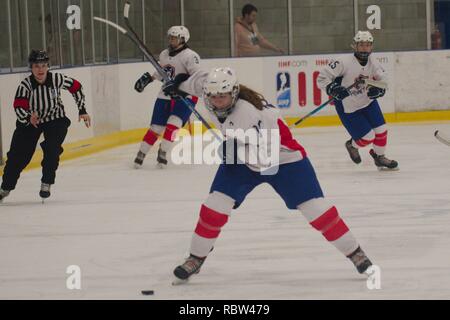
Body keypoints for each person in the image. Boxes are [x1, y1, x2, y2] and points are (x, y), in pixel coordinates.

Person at [162, 67, 373, 284]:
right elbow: (195, 81)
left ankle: (355, 252)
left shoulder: (249, 114)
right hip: (242, 156)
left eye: (222, 97)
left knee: (317, 210)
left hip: (281, 159)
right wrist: (177, 85)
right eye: (213, 97)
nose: (217, 101)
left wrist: (231, 149)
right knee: (213, 209)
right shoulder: (212, 87)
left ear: (233, 93)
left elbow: (262, 159)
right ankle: (196, 257)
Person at [0, 50, 91, 202]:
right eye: (36, 66)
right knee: (18, 156)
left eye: (43, 65)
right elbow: (18, 106)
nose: (40, 69)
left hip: (55, 119)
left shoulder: (57, 78)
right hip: (30, 122)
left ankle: (46, 182)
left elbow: (76, 87)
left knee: (52, 148)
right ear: (31, 68)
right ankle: (6, 187)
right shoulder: (26, 85)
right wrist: (28, 117)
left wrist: (82, 109)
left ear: (48, 66)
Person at [317, 31, 398, 170]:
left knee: (382, 130)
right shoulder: (343, 61)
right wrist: (333, 88)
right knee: (367, 138)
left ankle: (379, 158)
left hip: (367, 102)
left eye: (367, 45)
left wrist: (379, 90)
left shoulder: (373, 61)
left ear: (371, 46)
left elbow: (383, 81)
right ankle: (351, 145)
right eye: (361, 45)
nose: (365, 48)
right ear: (355, 46)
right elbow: (322, 78)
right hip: (349, 106)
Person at [133, 26, 201, 169]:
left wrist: (181, 88)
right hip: (166, 93)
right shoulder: (164, 54)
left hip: (186, 95)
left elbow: (197, 78)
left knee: (173, 124)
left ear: (182, 39)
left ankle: (163, 151)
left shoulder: (190, 56)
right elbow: (162, 72)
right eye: (169, 37)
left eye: (174, 37)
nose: (170, 40)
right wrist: (149, 79)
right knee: (156, 127)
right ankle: (141, 153)